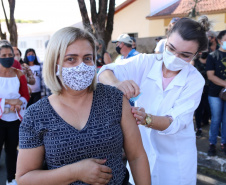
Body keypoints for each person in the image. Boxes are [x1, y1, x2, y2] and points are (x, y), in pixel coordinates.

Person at [16, 27, 151, 185]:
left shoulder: (114, 99)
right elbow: (24, 178)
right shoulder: (36, 114)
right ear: (54, 63)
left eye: (87, 58)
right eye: (71, 59)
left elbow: (137, 157)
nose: (81, 66)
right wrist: (75, 172)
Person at [98, 16, 210, 185]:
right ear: (167, 39)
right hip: (142, 153)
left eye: (185, 55)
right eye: (171, 48)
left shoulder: (194, 80)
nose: (174, 57)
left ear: (197, 54)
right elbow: (104, 72)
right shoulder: (145, 62)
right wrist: (117, 83)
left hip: (176, 159)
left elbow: (175, 122)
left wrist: (147, 119)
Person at [0, 41, 29, 185]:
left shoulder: (18, 73)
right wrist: (9, 102)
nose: (7, 57)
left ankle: (11, 179)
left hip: (14, 119)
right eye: (3, 55)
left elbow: (25, 95)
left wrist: (19, 104)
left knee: (12, 151)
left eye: (10, 55)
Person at [206, 30, 226, 156]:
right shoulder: (212, 56)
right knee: (216, 119)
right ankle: (212, 143)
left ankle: (224, 143)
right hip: (214, 94)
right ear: (219, 41)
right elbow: (210, 76)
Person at [193, 51, 211, 137]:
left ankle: (205, 121)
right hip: (197, 89)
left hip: (208, 88)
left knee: (209, 108)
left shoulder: (210, 61)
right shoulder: (194, 62)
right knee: (198, 109)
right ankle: (199, 128)